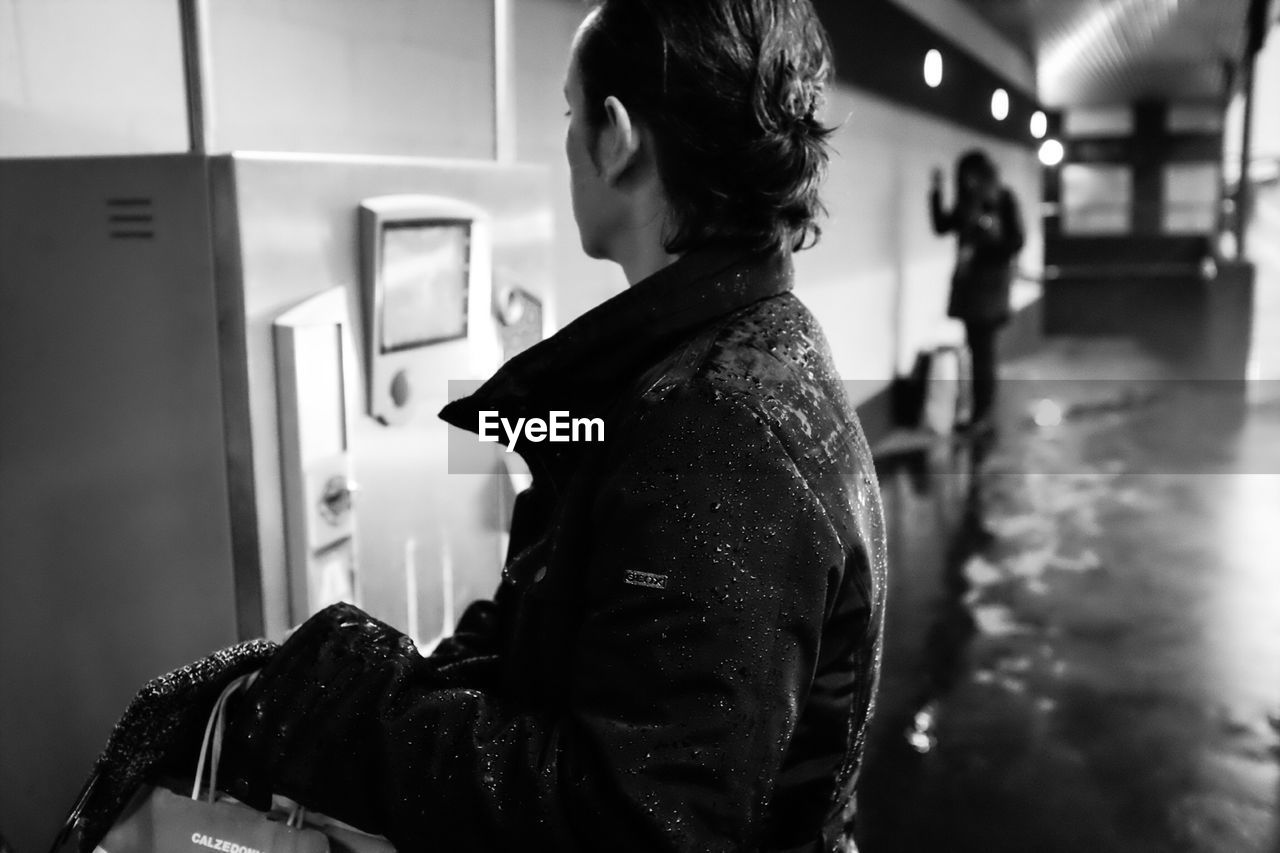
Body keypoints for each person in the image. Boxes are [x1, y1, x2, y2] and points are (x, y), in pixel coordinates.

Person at [219, 2, 888, 851]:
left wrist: (347, 702)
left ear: (616, 136)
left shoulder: (716, 427)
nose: (569, 138)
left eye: (571, 113)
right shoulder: (739, 355)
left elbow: (628, 820)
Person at [930, 149, 1025, 432]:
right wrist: (936, 191)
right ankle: (979, 411)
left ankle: (982, 414)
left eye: (973, 176)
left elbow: (1016, 241)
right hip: (970, 287)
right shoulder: (968, 201)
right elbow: (942, 225)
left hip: (991, 286)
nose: (969, 181)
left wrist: (987, 242)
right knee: (977, 350)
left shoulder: (1002, 199)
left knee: (983, 352)